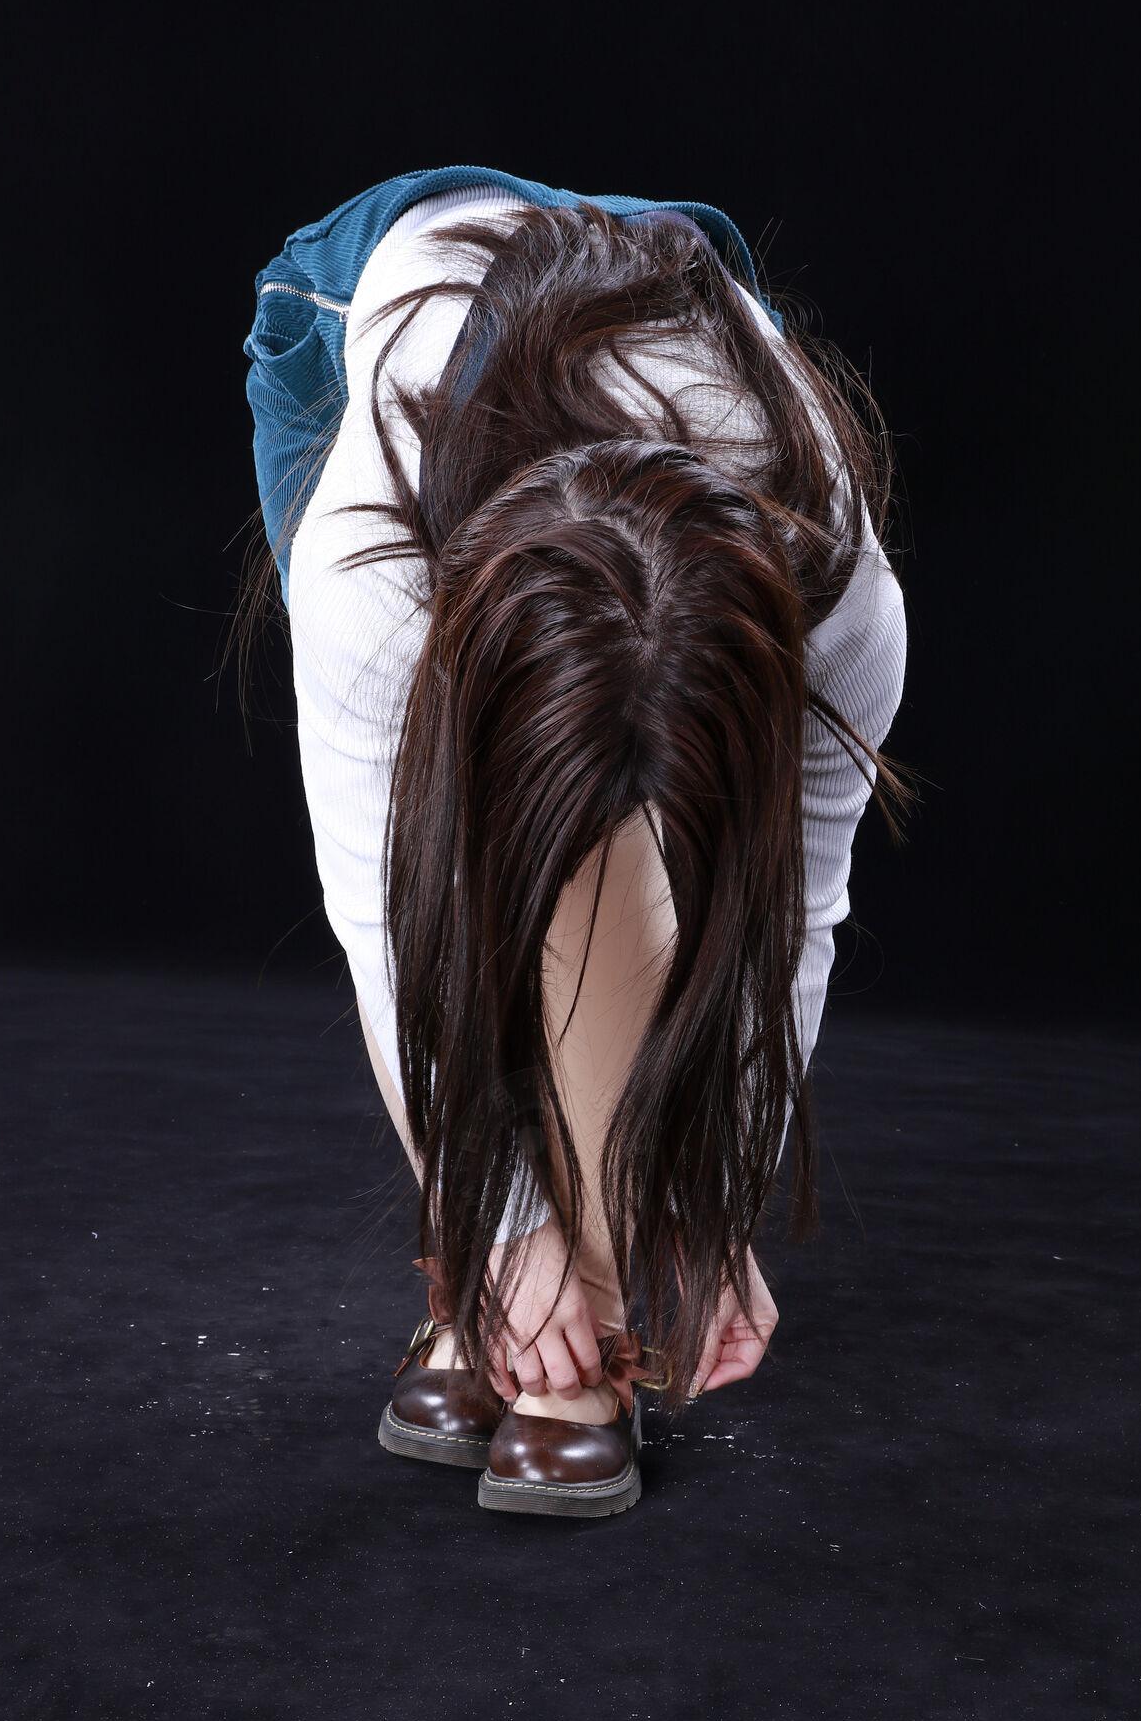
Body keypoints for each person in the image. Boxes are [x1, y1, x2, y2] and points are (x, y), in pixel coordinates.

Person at [238, 164, 911, 1519]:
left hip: (683, 353)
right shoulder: (374, 568)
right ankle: (486, 1301)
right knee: (504, 849)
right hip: (363, 308)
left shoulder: (842, 600)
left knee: (609, 872)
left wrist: (707, 1200)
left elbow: (792, 919)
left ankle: (574, 1333)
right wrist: (498, 1225)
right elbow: (387, 930)